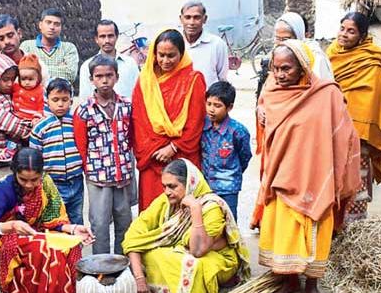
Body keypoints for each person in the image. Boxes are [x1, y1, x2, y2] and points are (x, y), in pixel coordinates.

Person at [253, 40, 361, 293]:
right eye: (275, 69)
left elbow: (345, 132)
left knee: (316, 230)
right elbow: (266, 124)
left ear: (302, 67)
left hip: (316, 175)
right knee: (284, 230)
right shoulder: (271, 91)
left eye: (286, 69)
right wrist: (260, 115)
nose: (280, 75)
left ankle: (312, 285)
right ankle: (289, 281)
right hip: (282, 174)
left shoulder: (326, 94)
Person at [0, 148, 94, 293]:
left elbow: (53, 219)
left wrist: (74, 229)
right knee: (43, 250)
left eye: (34, 180)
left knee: (72, 245)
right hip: (7, 237)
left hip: (37, 232)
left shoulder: (46, 183)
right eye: (23, 179)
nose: (29, 185)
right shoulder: (3, 188)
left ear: (42, 174)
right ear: (14, 172)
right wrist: (11, 226)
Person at [122, 159, 250, 293]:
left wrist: (195, 208)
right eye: (164, 186)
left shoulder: (211, 207)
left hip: (217, 258)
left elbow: (198, 251)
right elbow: (133, 235)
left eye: (172, 186)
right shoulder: (166, 201)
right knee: (149, 252)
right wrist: (139, 278)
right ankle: (164, 290)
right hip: (185, 250)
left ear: (190, 183)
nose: (167, 192)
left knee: (191, 265)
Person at [326, 12, 381, 222]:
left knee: (358, 172)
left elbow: (374, 101)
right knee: (333, 174)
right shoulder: (331, 52)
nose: (344, 35)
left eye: (351, 31)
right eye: (342, 29)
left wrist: (359, 128)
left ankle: (356, 221)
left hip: (361, 132)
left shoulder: (374, 61)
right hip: (334, 126)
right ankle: (335, 223)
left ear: (362, 35)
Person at [131, 29, 206, 210]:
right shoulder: (145, 82)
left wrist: (172, 148)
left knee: (182, 213)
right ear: (154, 54)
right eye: (161, 55)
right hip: (152, 158)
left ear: (181, 54)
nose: (165, 61)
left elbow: (195, 123)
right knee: (153, 212)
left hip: (182, 156)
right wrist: (155, 150)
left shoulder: (193, 80)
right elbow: (138, 121)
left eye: (171, 55)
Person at [74, 55, 134, 254]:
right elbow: (81, 144)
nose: (104, 80)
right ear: (92, 79)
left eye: (109, 75)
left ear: (117, 77)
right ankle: (101, 267)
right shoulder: (84, 110)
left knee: (124, 221)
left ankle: (122, 264)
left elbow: (131, 137)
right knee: (99, 224)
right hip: (98, 176)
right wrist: (88, 169)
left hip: (123, 174)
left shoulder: (126, 106)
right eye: (99, 76)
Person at [29, 78, 84, 225]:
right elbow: (35, 157)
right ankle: (59, 248)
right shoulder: (40, 127)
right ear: (47, 101)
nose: (60, 104)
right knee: (56, 221)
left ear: (71, 101)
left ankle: (76, 247)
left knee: (76, 219)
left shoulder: (76, 122)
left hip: (76, 180)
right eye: (55, 99)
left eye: (65, 99)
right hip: (53, 183)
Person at [200, 81, 252, 221]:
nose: (211, 109)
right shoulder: (202, 127)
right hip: (205, 185)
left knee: (229, 221)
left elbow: (245, 156)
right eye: (209, 103)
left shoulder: (237, 131)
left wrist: (233, 172)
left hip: (228, 187)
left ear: (229, 107)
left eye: (217, 106)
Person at [256, 12, 334, 99]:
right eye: (278, 38)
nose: (282, 43)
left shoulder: (315, 57)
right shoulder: (275, 55)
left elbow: (323, 92)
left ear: (299, 36)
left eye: (286, 39)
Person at [0, 14, 49, 97]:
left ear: (19, 33)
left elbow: (48, 100)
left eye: (10, 35)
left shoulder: (38, 66)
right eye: (1, 38)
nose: (7, 41)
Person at [0, 54, 45, 163]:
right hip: (16, 118)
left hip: (30, 121)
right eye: (23, 79)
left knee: (31, 139)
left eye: (31, 79)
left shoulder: (40, 91)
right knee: (12, 136)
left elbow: (42, 107)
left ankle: (33, 156)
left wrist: (37, 118)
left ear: (38, 78)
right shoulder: (16, 87)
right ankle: (10, 150)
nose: (27, 82)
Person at [78, 19, 140, 100]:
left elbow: (139, 93)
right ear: (96, 39)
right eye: (102, 36)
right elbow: (85, 99)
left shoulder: (130, 64)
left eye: (110, 36)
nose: (107, 41)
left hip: (128, 111)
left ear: (116, 37)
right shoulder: (87, 66)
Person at [20, 8, 79, 83]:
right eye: (48, 22)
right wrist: (61, 69)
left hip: (60, 93)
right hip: (35, 93)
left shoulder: (69, 48)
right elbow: (24, 73)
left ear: (61, 28)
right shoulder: (27, 46)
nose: (52, 27)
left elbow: (70, 75)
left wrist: (36, 68)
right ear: (40, 25)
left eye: (56, 24)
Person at [179, 1, 228, 87]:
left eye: (196, 17)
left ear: (204, 19)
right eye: (187, 17)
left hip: (206, 98)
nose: (191, 22)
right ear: (181, 19)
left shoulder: (217, 44)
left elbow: (222, 78)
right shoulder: (175, 43)